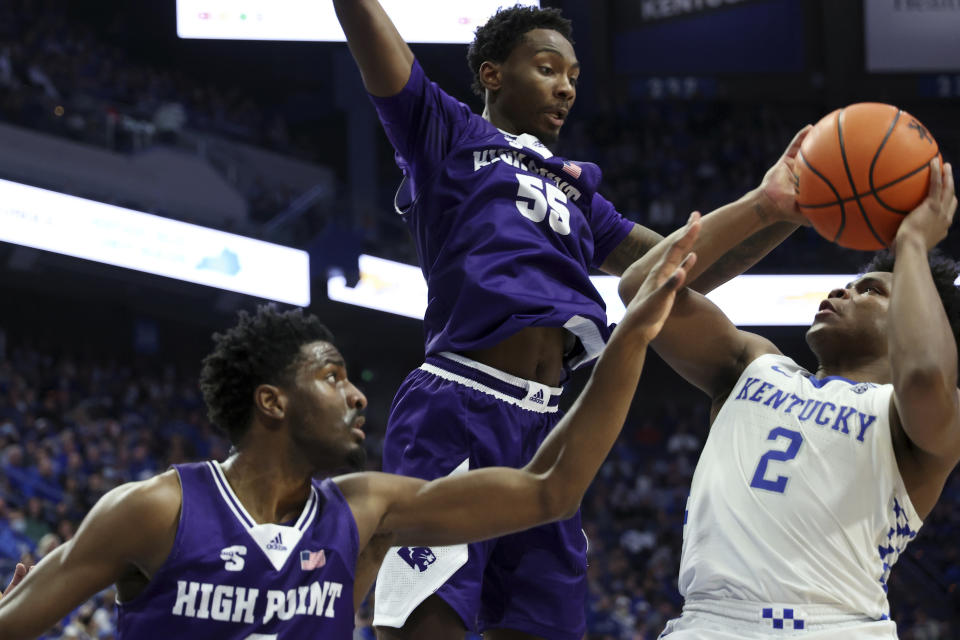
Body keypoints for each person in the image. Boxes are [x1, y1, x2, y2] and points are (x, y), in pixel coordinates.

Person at [332, 2, 810, 637]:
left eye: (575, 76)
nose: (566, 87)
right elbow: (373, 41)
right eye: (548, 68)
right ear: (493, 73)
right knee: (423, 626)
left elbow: (676, 272)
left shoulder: (579, 190)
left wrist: (776, 208)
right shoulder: (444, 132)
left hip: (550, 425)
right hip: (459, 404)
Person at [0, 220, 699, 640]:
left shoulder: (366, 510)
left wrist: (632, 337)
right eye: (332, 377)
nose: (358, 394)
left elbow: (550, 490)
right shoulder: (152, 510)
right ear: (273, 403)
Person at [618, 159, 959, 638]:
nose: (844, 289)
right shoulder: (753, 362)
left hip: (836, 626)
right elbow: (641, 289)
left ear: (910, 320)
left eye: (872, 291)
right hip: (706, 624)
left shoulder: (917, 417)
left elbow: (925, 373)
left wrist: (913, 247)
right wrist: (761, 208)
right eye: (851, 283)